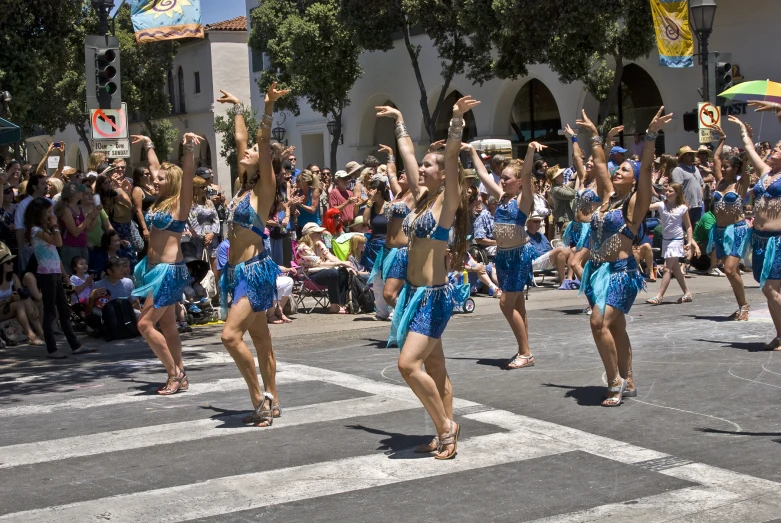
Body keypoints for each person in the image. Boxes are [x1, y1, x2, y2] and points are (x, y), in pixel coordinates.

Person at [378, 96, 475, 460]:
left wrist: (455, 122)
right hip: (413, 294)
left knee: (407, 365)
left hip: (434, 297)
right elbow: (405, 153)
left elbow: (450, 158)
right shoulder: (419, 198)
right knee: (435, 368)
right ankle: (445, 426)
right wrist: (400, 120)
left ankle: (446, 428)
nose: (421, 168)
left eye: (428, 165)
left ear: (443, 174)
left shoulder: (445, 204)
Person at [577, 106, 671, 406]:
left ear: (633, 180)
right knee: (615, 326)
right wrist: (594, 135)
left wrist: (652, 135)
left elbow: (644, 168)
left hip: (620, 273)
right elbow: (601, 163)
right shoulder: (607, 198)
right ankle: (628, 378)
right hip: (596, 272)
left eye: (625, 170)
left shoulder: (635, 203)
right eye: (620, 169)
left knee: (598, 323)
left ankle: (614, 381)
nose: (619, 171)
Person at [216, 86, 287, 426]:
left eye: (250, 153)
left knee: (230, 336)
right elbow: (242, 139)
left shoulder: (263, 190)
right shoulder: (242, 186)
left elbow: (257, 141)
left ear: (263, 161)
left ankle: (259, 398)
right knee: (260, 338)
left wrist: (268, 105)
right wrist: (238, 109)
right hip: (236, 272)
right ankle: (272, 402)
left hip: (255, 270)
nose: (241, 153)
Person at [131, 132, 200, 394]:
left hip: (168, 271)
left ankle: (175, 373)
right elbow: (155, 166)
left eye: (160, 179)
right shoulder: (160, 201)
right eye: (154, 178)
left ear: (172, 182)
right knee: (168, 326)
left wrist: (189, 149)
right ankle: (180, 371)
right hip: (152, 269)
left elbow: (186, 172)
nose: (154, 180)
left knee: (144, 325)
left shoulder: (180, 204)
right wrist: (149, 144)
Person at [469, 139, 540, 369]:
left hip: (518, 256)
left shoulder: (523, 199)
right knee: (517, 305)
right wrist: (471, 150)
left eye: (508, 178)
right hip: (503, 256)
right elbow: (483, 174)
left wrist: (529, 151)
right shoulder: (501, 197)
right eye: (503, 177)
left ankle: (526, 352)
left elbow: (527, 173)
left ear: (519, 182)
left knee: (505, 304)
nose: (502, 180)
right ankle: (524, 350)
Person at [733, 99, 781, 349]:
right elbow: (750, 150)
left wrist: (777, 111)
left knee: (772, 289)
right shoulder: (765, 172)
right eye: (776, 145)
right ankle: (780, 334)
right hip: (759, 239)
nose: (776, 147)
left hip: (778, 240)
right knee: (766, 289)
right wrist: (744, 132)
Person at [25, 197, 93, 358]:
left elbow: (55, 254)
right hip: (46, 275)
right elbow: (58, 243)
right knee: (50, 312)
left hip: (55, 273)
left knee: (63, 310)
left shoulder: (45, 230)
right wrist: (55, 225)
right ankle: (52, 349)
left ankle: (75, 345)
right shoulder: (36, 230)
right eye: (48, 212)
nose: (51, 215)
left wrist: (64, 275)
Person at [705, 124, 751, 320]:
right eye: (722, 167)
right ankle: (741, 305)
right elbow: (715, 158)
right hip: (720, 230)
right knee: (729, 272)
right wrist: (722, 139)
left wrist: (745, 136)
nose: (722, 169)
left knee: (731, 269)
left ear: (735, 168)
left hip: (737, 229)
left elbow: (747, 160)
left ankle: (745, 306)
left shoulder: (741, 183)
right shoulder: (720, 181)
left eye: (726, 167)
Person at [646, 183, 697, 305]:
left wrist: (689, 242)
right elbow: (646, 207)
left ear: (677, 193)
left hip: (677, 240)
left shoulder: (682, 208)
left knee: (667, 268)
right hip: (666, 240)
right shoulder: (661, 205)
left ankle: (659, 296)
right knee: (676, 269)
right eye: (666, 191)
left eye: (670, 191)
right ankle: (687, 293)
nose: (667, 193)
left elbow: (688, 226)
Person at [561, 124, 600, 282]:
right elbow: (577, 158)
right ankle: (593, 300)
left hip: (589, 229)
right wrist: (573, 138)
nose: (589, 163)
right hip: (576, 227)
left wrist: (595, 134)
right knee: (578, 264)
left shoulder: (600, 183)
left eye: (592, 161)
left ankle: (593, 296)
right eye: (588, 161)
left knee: (576, 263)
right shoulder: (584, 179)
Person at [296, 222, 353, 313]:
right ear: (311, 234)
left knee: (343, 271)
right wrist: (340, 263)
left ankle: (340, 304)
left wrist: (344, 264)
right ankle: (334, 305)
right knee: (332, 272)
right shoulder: (303, 248)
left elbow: (330, 257)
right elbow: (318, 264)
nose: (321, 235)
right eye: (318, 233)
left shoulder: (319, 244)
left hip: (320, 272)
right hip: (309, 275)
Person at [0, 242, 43, 345]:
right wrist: (9, 299)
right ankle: (31, 336)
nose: (12, 264)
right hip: (3, 308)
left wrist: (34, 307)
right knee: (18, 304)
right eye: (8, 262)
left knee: (30, 299)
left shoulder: (13, 277)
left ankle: (41, 332)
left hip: (9, 308)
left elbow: (24, 295)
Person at [86, 256, 141, 333]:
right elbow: (89, 311)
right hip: (107, 314)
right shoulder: (98, 285)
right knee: (94, 315)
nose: (122, 271)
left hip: (123, 312)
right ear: (109, 271)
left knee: (139, 314)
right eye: (118, 268)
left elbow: (135, 303)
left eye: (123, 267)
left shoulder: (128, 282)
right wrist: (92, 298)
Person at [55, 183, 99, 275]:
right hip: (70, 247)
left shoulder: (79, 207)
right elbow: (75, 232)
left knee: (83, 275)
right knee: (71, 275)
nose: (83, 193)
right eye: (81, 191)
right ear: (74, 193)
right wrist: (88, 218)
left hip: (82, 246)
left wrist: (95, 215)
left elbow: (89, 228)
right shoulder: (66, 209)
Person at [188, 176, 221, 276]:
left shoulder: (209, 202)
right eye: (203, 187)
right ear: (195, 188)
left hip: (211, 236)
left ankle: (216, 287)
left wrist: (212, 233)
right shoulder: (191, 204)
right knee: (197, 260)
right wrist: (204, 236)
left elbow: (216, 219)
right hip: (197, 237)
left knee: (214, 258)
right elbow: (192, 221)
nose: (206, 189)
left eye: (206, 187)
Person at [527, 212, 572, 284]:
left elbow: (549, 248)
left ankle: (567, 280)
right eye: (535, 221)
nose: (538, 224)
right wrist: (550, 253)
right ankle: (564, 280)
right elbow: (534, 253)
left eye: (539, 221)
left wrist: (550, 253)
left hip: (545, 259)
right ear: (528, 223)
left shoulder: (541, 236)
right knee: (560, 249)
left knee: (568, 251)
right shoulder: (525, 236)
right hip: (534, 261)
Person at [361, 173, 390, 272]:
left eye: (373, 189)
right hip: (373, 245)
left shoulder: (389, 206)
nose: (370, 192)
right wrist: (369, 201)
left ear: (379, 192)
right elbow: (365, 220)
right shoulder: (371, 207)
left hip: (387, 245)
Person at [672, 146, 704, 227]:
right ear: (683, 156)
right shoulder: (678, 170)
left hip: (699, 205)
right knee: (687, 229)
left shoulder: (696, 169)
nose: (692, 156)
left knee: (698, 229)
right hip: (687, 206)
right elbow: (677, 189)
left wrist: (701, 198)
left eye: (692, 154)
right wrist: (685, 203)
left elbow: (701, 184)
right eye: (689, 154)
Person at [547, 165, 577, 236]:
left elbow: (574, 192)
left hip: (569, 217)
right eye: (560, 174)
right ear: (555, 178)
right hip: (563, 219)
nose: (562, 175)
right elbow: (573, 195)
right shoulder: (556, 189)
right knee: (566, 238)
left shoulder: (563, 186)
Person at [290, 168, 321, 235]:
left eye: (298, 181)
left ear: (304, 182)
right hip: (301, 228)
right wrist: (294, 204)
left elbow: (313, 210)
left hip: (313, 227)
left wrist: (301, 205)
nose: (296, 182)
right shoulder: (298, 192)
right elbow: (292, 211)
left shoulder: (314, 191)